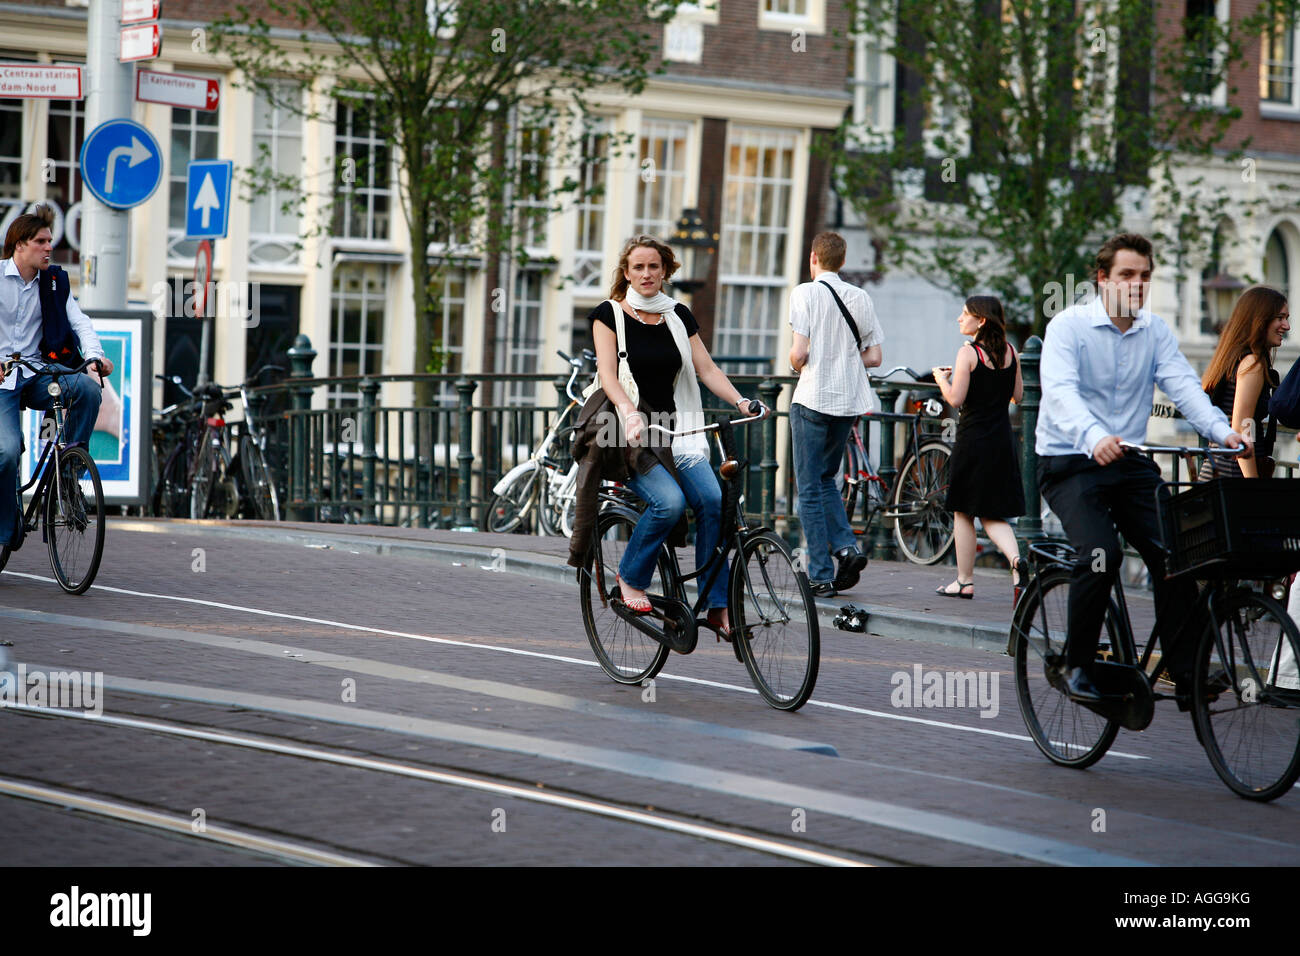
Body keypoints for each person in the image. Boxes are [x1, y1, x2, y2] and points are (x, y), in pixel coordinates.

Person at [1037, 233, 1250, 703]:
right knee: (1101, 555)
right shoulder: (1068, 328)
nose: (1137, 285)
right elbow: (1060, 393)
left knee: (1177, 552)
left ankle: (1184, 670)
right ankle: (1077, 667)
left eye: (1145, 276)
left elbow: (1185, 388)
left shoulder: (1153, 331)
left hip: (1129, 462)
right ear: (1102, 279)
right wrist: (1094, 437)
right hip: (1071, 460)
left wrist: (1224, 432)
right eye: (1127, 275)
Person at [589, 235, 761, 640]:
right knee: (669, 504)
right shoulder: (609, 315)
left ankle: (717, 606)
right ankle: (631, 577)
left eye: (654, 266)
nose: (647, 274)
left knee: (716, 503)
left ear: (665, 270)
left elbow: (708, 370)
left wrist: (741, 402)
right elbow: (609, 376)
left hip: (679, 432)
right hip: (634, 433)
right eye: (638, 268)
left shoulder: (679, 316)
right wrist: (629, 412)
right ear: (626, 273)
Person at [1, 205, 112, 551]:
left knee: (87, 391)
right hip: (2, 380)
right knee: (6, 453)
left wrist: (94, 357)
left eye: (51, 241)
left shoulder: (54, 282)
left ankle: (68, 478)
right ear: (20, 244)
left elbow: (80, 322)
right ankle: (5, 529)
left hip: (37, 374)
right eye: (41, 241)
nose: (49, 247)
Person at [788, 231, 883, 597]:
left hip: (812, 398)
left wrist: (801, 363)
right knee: (828, 478)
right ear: (842, 262)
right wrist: (843, 360)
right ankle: (846, 548)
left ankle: (821, 574)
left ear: (814, 258)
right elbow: (874, 357)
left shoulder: (804, 293)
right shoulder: (860, 297)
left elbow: (799, 353)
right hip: (847, 403)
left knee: (809, 488)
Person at [931, 295, 1024, 600]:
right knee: (993, 515)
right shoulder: (1012, 352)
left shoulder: (968, 353)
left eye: (965, 313)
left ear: (981, 320)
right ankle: (1016, 561)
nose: (960, 318)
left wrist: (941, 380)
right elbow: (1017, 396)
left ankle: (964, 580)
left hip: (973, 441)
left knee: (963, 511)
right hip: (1001, 440)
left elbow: (956, 399)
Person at [1198, 285, 1289, 479]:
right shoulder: (1253, 362)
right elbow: (1243, 425)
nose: (1286, 326)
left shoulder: (1234, 357)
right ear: (1260, 320)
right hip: (1234, 473)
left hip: (1218, 467)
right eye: (1280, 318)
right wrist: (1251, 482)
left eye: (1286, 319)